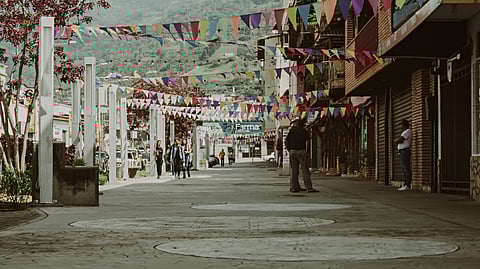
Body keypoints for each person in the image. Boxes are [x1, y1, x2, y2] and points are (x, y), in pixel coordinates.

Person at [285, 117, 318, 193]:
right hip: (301, 151)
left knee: (294, 171)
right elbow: (307, 142)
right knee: (305, 170)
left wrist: (289, 149)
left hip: (292, 152)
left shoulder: (292, 130)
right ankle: (309, 188)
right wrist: (307, 151)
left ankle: (294, 187)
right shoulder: (304, 131)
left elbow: (286, 141)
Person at [395, 119, 412, 191]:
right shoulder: (405, 132)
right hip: (402, 151)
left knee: (406, 168)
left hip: (405, 151)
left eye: (401, 125)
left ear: (404, 125)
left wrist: (396, 141)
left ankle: (407, 184)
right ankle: (405, 183)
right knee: (404, 168)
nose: (401, 127)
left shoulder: (407, 131)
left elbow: (400, 140)